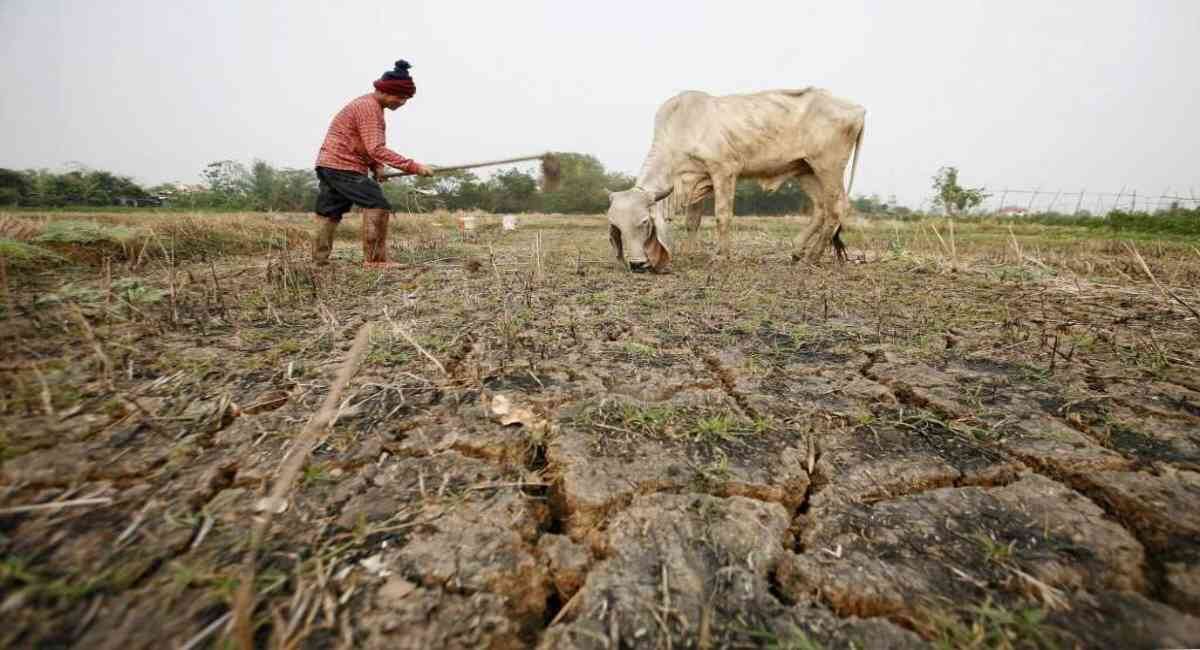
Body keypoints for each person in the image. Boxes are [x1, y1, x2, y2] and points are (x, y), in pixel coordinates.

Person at [311, 59, 434, 268]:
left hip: (329, 163)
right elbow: (376, 149)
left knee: (329, 211)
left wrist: (377, 167)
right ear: (386, 92)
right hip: (344, 165)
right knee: (377, 204)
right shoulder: (370, 109)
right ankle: (375, 260)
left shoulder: (366, 104)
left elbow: (364, 146)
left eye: (407, 99)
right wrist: (414, 166)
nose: (403, 102)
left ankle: (319, 260)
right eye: (401, 97)